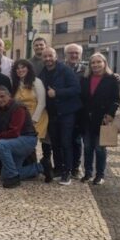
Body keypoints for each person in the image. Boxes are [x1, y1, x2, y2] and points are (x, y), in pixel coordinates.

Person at [0, 86, 49, 188]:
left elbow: (14, 132)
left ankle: (14, 178)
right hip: (12, 142)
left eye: (2, 96)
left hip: (27, 139)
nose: (0, 99)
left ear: (9, 96)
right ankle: (41, 167)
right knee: (4, 174)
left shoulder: (18, 107)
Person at [39, 47, 81, 185]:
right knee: (55, 143)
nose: (47, 59)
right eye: (45, 57)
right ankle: (58, 168)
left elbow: (76, 89)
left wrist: (57, 93)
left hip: (66, 113)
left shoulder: (65, 70)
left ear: (55, 56)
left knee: (65, 142)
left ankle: (67, 172)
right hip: (52, 114)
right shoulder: (42, 73)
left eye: (50, 56)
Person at [80, 53, 120, 185]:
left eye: (99, 62)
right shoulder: (85, 79)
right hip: (86, 118)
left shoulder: (111, 79)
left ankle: (100, 174)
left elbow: (116, 99)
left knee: (100, 148)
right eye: (93, 63)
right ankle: (87, 172)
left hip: (103, 118)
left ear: (104, 63)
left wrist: (111, 114)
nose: (96, 65)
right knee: (87, 147)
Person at [11, 58, 48, 145]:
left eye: (23, 67)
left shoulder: (36, 82)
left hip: (36, 118)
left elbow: (42, 103)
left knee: (29, 142)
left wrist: (34, 120)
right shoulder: (16, 84)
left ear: (28, 68)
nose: (20, 70)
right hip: (22, 118)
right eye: (18, 68)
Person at [64, 43, 86, 177]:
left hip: (79, 111)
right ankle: (63, 166)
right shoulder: (60, 68)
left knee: (77, 140)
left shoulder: (86, 70)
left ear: (80, 55)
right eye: (70, 53)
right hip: (63, 110)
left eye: (76, 53)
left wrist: (114, 77)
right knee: (64, 140)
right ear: (65, 55)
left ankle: (76, 167)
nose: (73, 55)